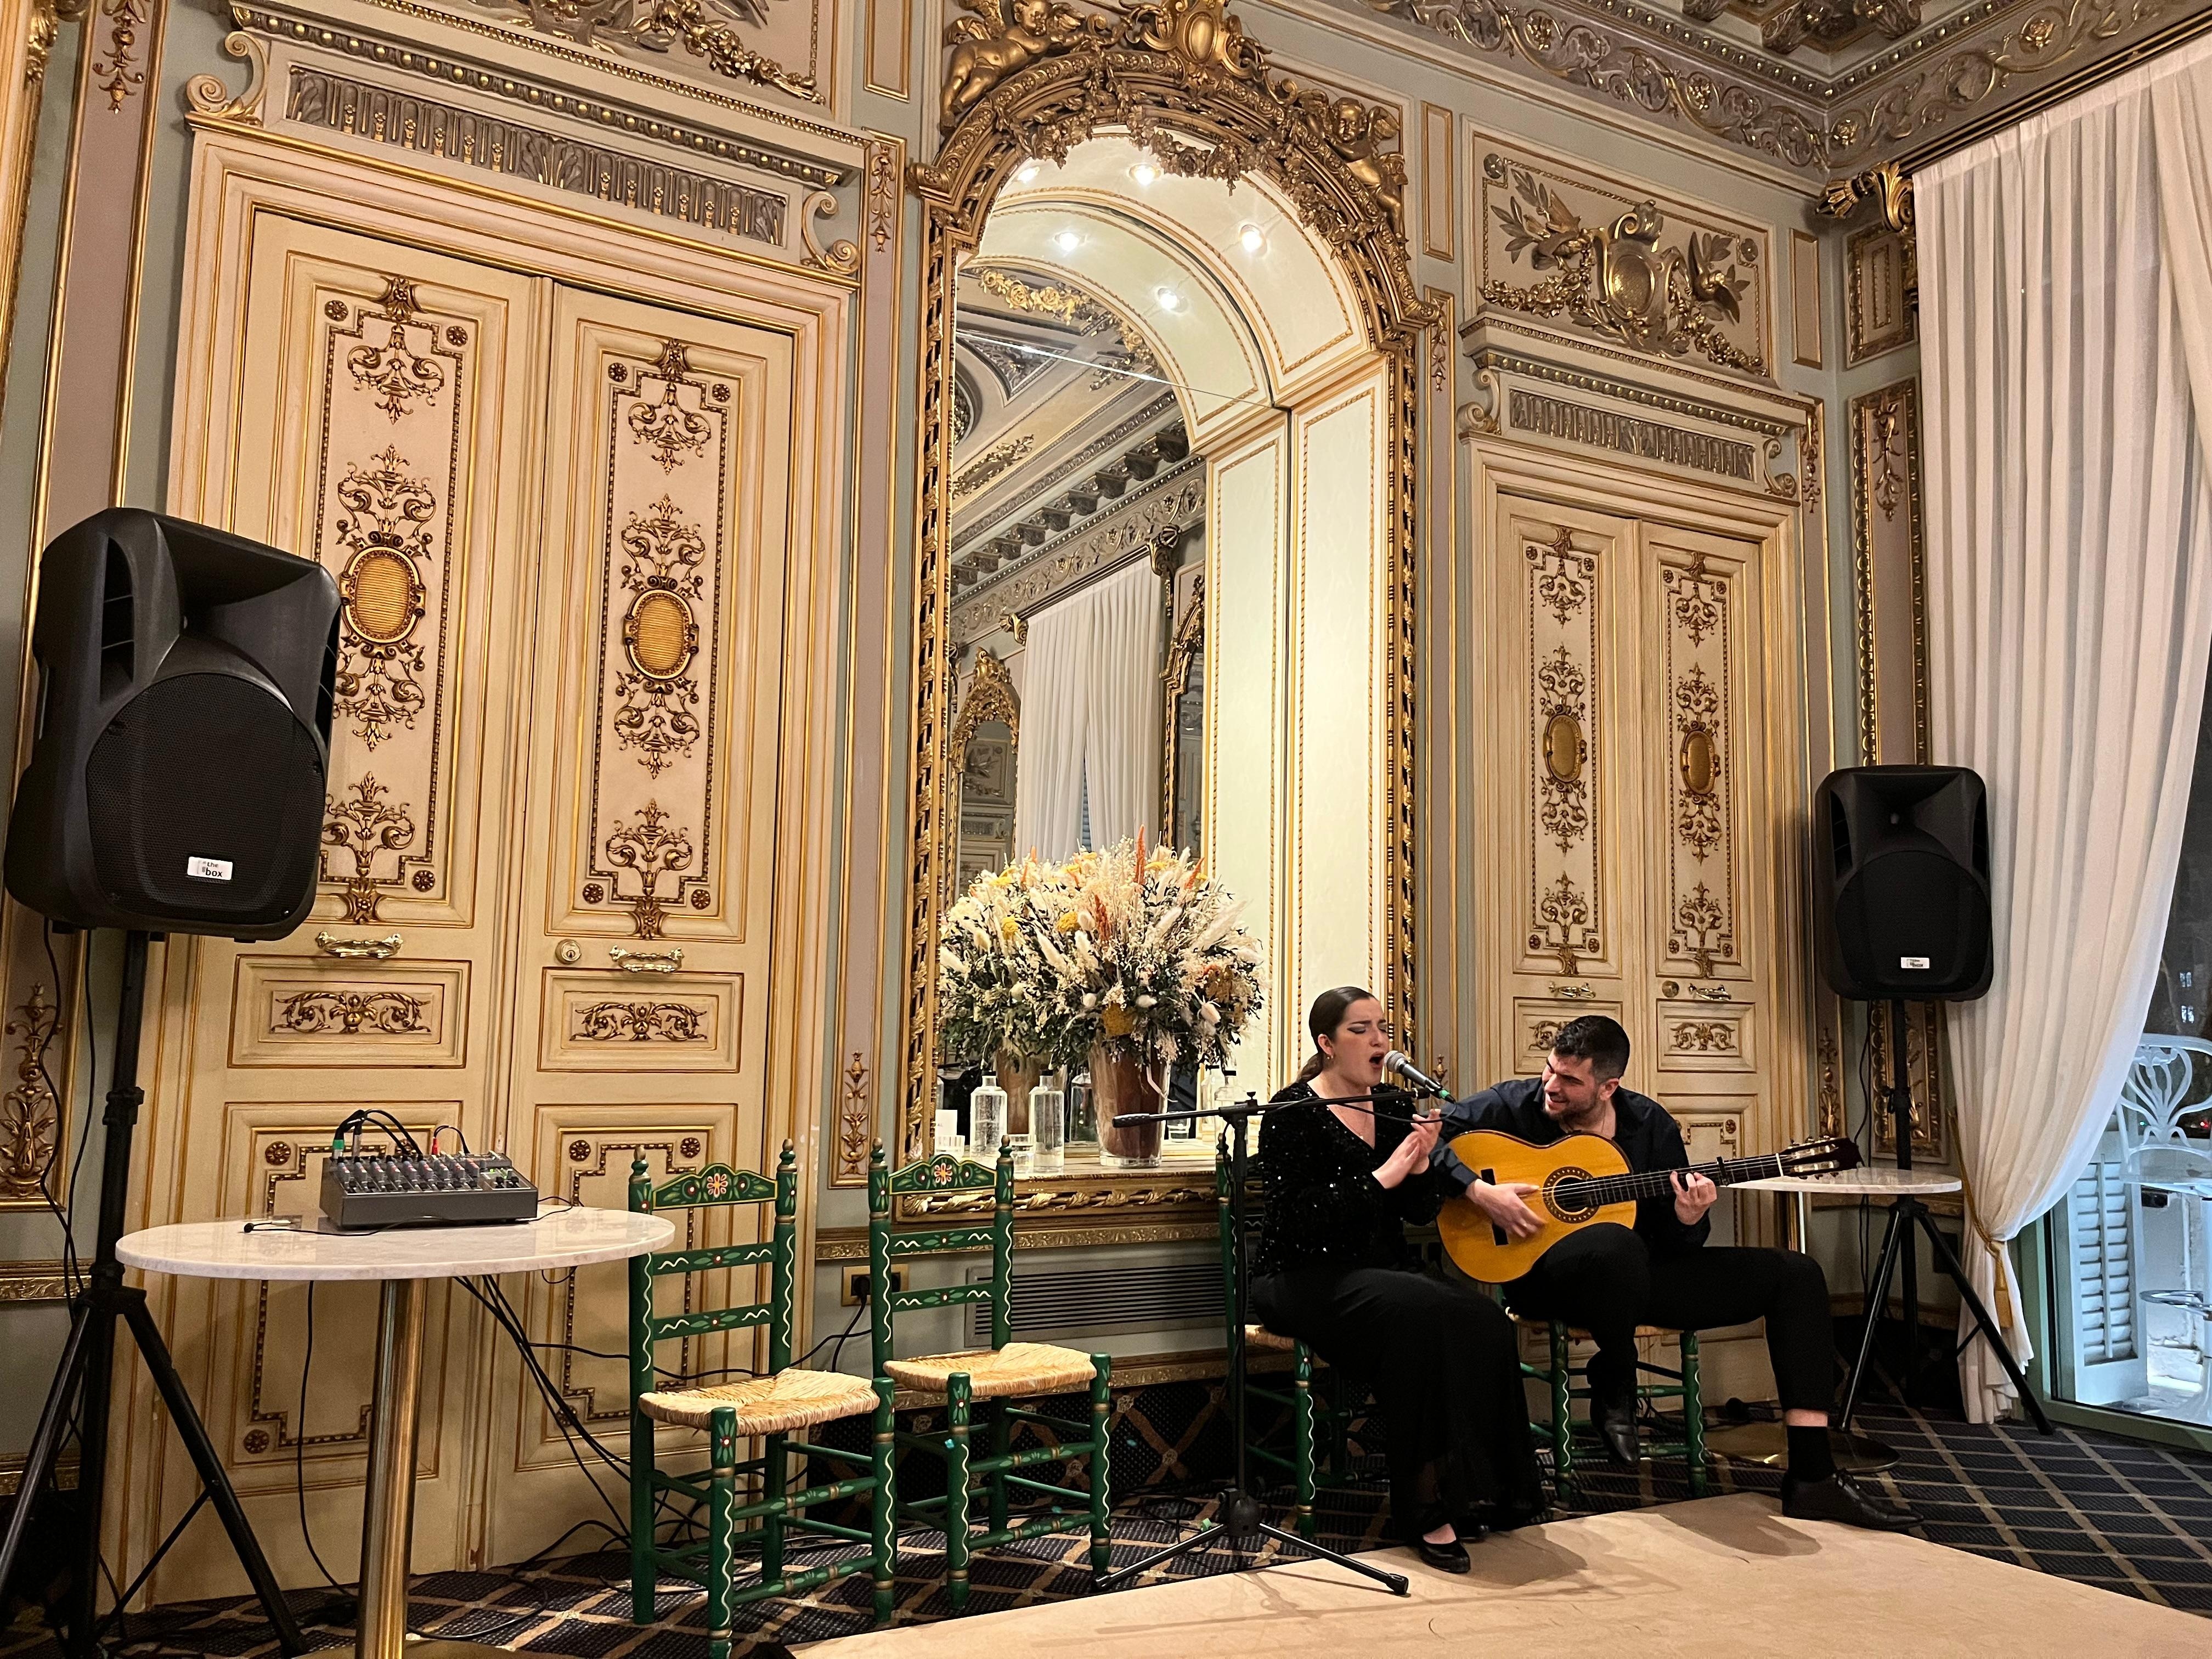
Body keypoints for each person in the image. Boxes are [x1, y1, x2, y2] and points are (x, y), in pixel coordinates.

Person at [1434, 1014, 1916, 1531]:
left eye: (1570, 1081)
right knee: (1614, 1244)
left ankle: (1814, 1477)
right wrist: (1479, 1191)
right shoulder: (1510, 1105)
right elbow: (1426, 1141)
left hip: (1641, 1280)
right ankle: (1615, 1378)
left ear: (1609, 1086)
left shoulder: (1649, 1125)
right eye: (1550, 1071)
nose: (1551, 1086)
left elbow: (1677, 1242)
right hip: (1545, 1281)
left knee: (1795, 1274)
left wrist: (1690, 1217)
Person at [1251, 986, 1548, 1573]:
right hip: (1304, 1274)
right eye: (1361, 1030)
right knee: (1419, 1316)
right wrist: (1385, 1176)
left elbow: (1412, 1213)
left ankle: (1481, 1491)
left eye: (1382, 1028)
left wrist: (1420, 1167)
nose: (1380, 1041)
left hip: (1379, 1269)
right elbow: (1298, 1221)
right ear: (1327, 1044)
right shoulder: (1292, 1113)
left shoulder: (1389, 1105)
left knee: (1485, 1321)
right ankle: (1423, 1507)